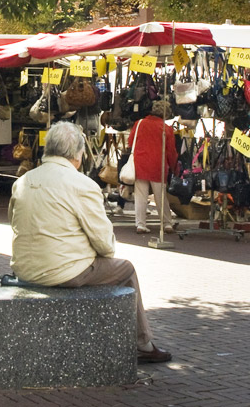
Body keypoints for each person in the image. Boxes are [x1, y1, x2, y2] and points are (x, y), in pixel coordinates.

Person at [9, 122, 171, 364]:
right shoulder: (82, 185)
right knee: (125, 269)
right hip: (62, 273)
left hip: (22, 269)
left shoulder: (22, 181)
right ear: (77, 155)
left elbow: (15, 222)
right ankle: (143, 342)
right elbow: (106, 245)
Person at [126, 101, 179, 234]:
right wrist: (174, 167)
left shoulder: (139, 124)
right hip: (158, 165)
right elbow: (171, 151)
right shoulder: (166, 128)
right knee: (160, 196)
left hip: (140, 163)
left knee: (140, 196)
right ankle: (167, 223)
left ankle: (140, 224)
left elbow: (130, 142)